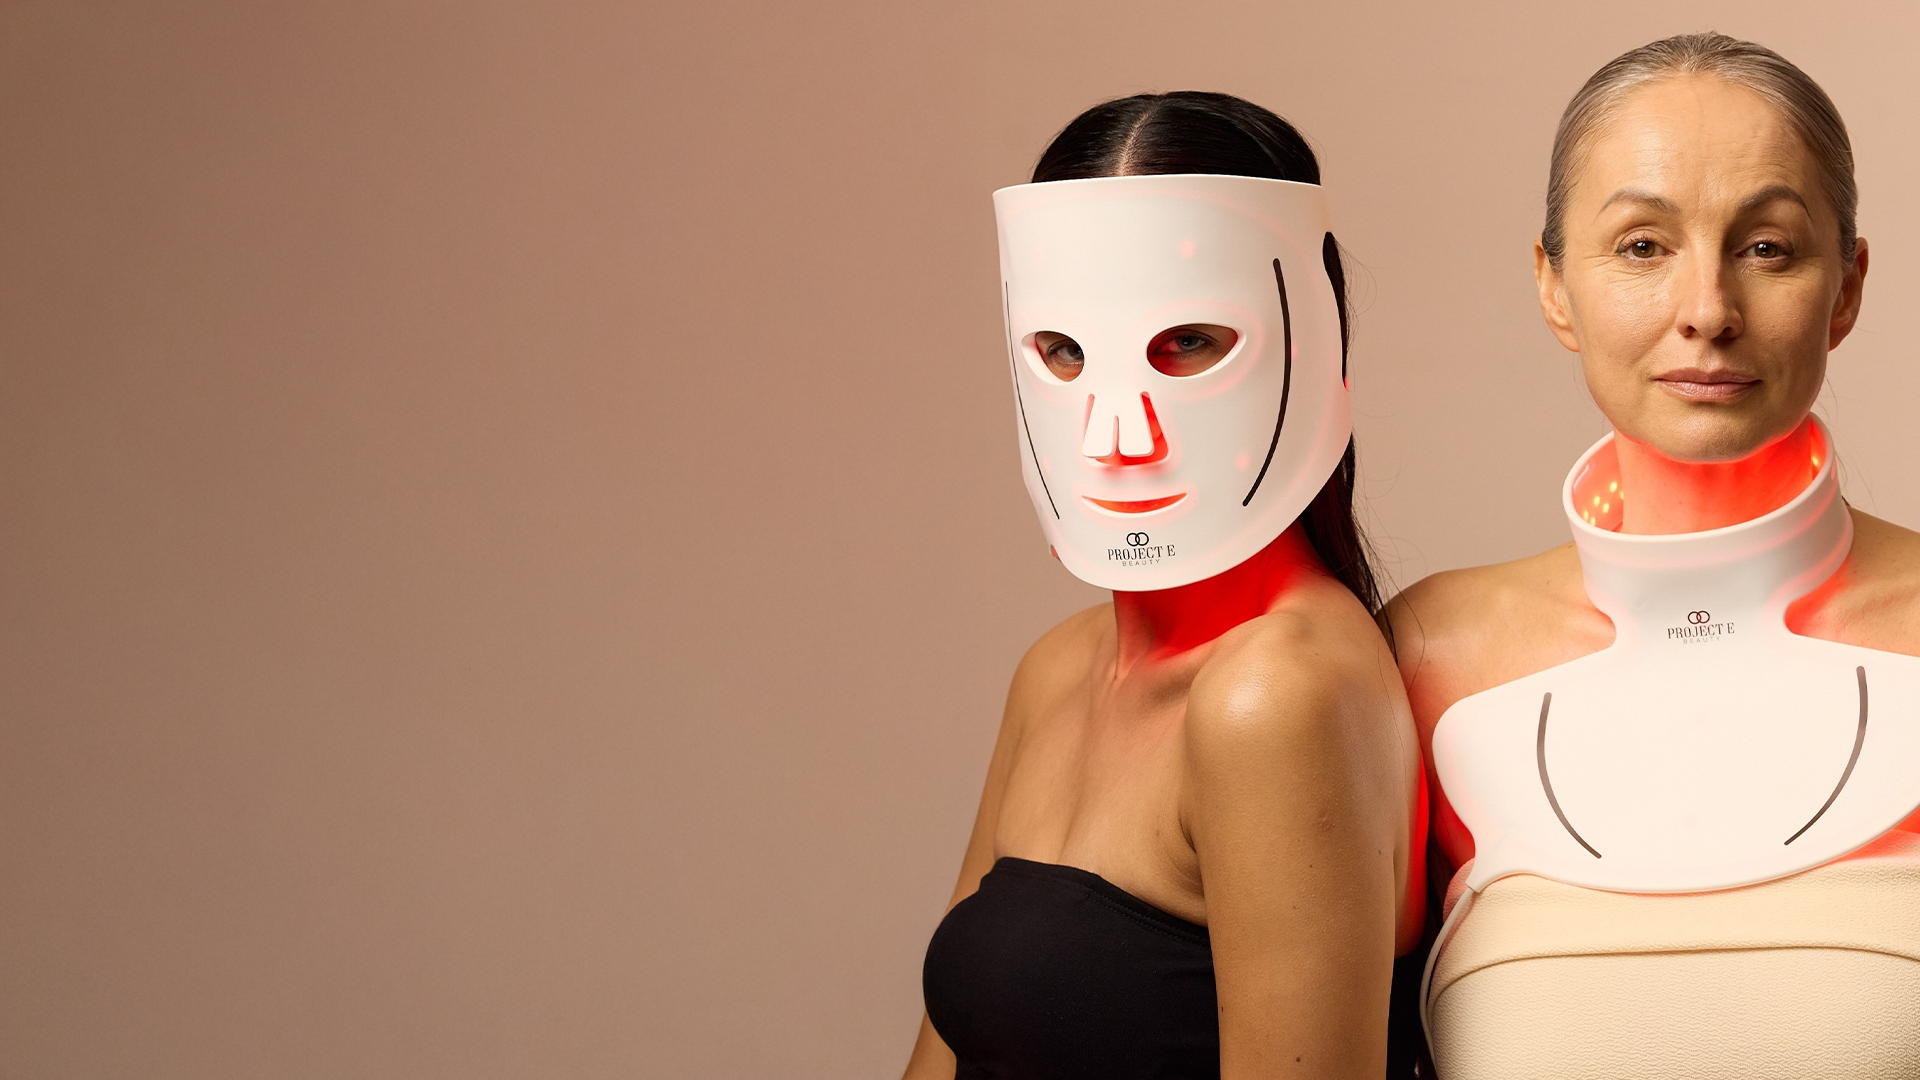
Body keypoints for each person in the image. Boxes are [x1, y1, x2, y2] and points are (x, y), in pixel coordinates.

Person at [1389, 33, 1920, 1076]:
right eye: (1642, 247)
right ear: (1553, 286)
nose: (1707, 312)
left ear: (1847, 289)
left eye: (1767, 248)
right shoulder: (1423, 658)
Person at [901, 92, 1428, 1080]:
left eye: (1187, 342)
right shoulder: (1060, 668)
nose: (1120, 435)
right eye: (1064, 353)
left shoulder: (1276, 694)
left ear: (1307, 335)